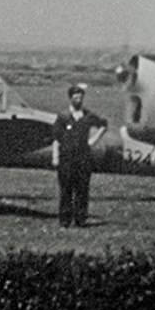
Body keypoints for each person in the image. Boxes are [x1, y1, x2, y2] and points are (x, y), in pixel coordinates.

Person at [51, 82, 107, 227]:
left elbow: (103, 125)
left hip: (83, 157)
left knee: (82, 189)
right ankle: (64, 220)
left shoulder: (88, 116)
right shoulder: (63, 117)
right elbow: (56, 138)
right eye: (76, 97)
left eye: (81, 97)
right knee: (66, 190)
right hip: (66, 157)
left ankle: (80, 219)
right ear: (70, 98)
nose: (79, 100)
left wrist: (92, 142)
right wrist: (55, 157)